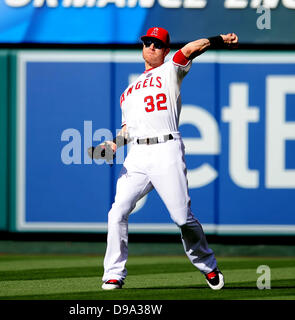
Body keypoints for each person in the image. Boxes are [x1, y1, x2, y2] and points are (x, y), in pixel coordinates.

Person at [88, 27, 239, 290]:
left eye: (157, 44)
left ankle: (207, 264)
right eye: (147, 42)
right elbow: (128, 130)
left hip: (166, 148)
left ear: (165, 50)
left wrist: (219, 40)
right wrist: (113, 143)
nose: (151, 47)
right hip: (137, 155)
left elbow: (191, 49)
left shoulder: (171, 69)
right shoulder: (128, 92)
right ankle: (113, 273)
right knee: (117, 212)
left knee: (182, 218)